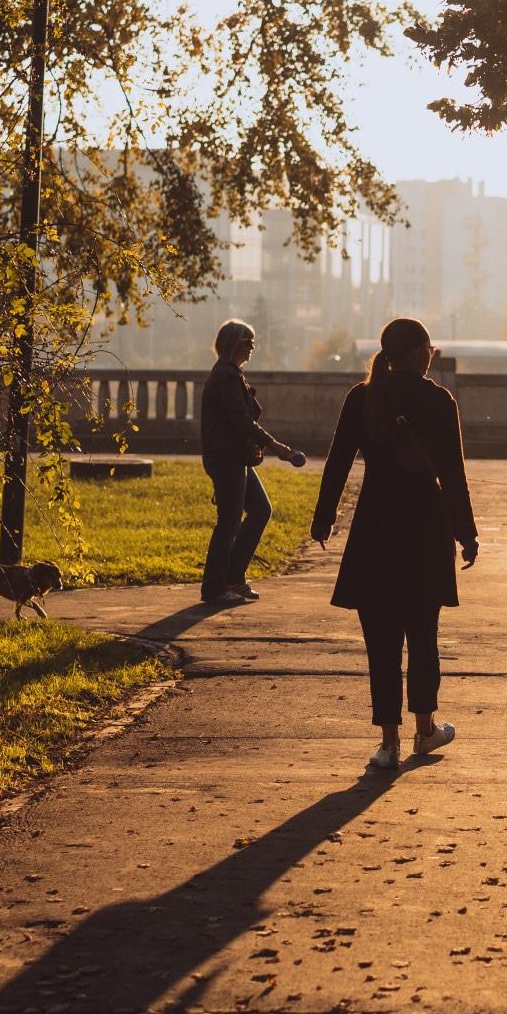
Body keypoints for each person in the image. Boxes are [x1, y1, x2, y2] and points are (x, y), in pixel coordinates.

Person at [311, 317, 478, 771]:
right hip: (426, 528)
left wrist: (322, 521)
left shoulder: (363, 398)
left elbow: (338, 463)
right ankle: (425, 730)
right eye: (429, 348)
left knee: (380, 639)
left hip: (375, 530)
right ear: (418, 352)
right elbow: (453, 475)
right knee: (423, 633)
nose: (432, 355)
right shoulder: (439, 401)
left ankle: (388, 742)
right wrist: (467, 533)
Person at [200, 319, 308, 606]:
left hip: (236, 457)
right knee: (229, 521)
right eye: (247, 343)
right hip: (226, 457)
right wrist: (278, 448)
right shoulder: (225, 376)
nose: (252, 348)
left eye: (253, 343)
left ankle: (233, 577)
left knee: (260, 510)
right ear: (232, 344)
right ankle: (213, 588)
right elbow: (242, 421)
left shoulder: (232, 374)